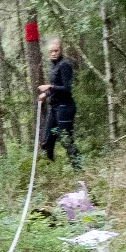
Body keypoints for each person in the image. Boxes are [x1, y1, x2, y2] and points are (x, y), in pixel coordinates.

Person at [37, 38, 82, 169]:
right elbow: (56, 88)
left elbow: (67, 89)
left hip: (65, 107)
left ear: (60, 50)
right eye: (51, 51)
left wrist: (49, 87)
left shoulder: (64, 65)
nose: (53, 54)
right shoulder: (53, 66)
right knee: (46, 141)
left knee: (66, 139)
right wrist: (46, 94)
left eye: (56, 51)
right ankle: (51, 169)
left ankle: (78, 168)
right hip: (54, 107)